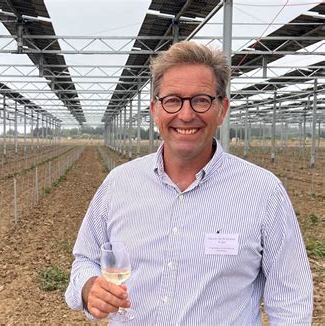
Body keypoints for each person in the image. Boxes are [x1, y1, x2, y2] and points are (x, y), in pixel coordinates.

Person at [65, 41, 313, 324]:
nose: (186, 114)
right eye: (172, 100)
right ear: (155, 110)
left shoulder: (263, 192)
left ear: (222, 109)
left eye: (201, 100)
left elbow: (291, 299)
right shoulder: (119, 184)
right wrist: (88, 288)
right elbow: (85, 259)